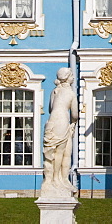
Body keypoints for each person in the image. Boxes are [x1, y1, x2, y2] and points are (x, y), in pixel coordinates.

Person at [39, 67, 78, 198]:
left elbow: (51, 108)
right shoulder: (71, 94)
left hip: (52, 121)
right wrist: (73, 122)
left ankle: (63, 179)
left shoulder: (54, 91)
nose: (73, 78)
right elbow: (75, 114)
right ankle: (56, 179)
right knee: (61, 152)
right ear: (67, 78)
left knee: (66, 151)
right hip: (62, 121)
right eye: (72, 76)